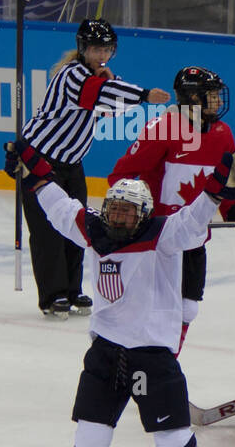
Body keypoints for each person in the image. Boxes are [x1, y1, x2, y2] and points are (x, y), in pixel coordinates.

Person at [4, 137, 235, 447]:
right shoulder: (95, 231)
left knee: (174, 440)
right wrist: (35, 173)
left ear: (143, 215)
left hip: (153, 357)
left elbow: (195, 218)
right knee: (90, 434)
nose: (118, 218)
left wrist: (220, 187)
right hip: (105, 353)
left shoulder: (164, 235)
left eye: (127, 212)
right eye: (114, 210)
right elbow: (59, 208)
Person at [11, 20, 172, 318]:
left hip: (72, 164)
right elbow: (99, 95)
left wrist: (113, 82)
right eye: (97, 49)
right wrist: (144, 94)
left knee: (77, 225)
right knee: (47, 231)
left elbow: (113, 104)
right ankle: (53, 295)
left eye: (107, 49)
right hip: (39, 160)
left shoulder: (103, 77)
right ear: (84, 49)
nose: (102, 54)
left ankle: (73, 289)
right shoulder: (72, 75)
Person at [108, 66, 235, 352]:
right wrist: (137, 215)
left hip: (194, 238)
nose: (218, 100)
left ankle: (164, 369)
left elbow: (223, 190)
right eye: (212, 95)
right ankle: (143, 366)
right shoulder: (163, 129)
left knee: (187, 309)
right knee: (153, 311)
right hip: (158, 241)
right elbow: (120, 176)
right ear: (192, 97)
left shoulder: (222, 133)